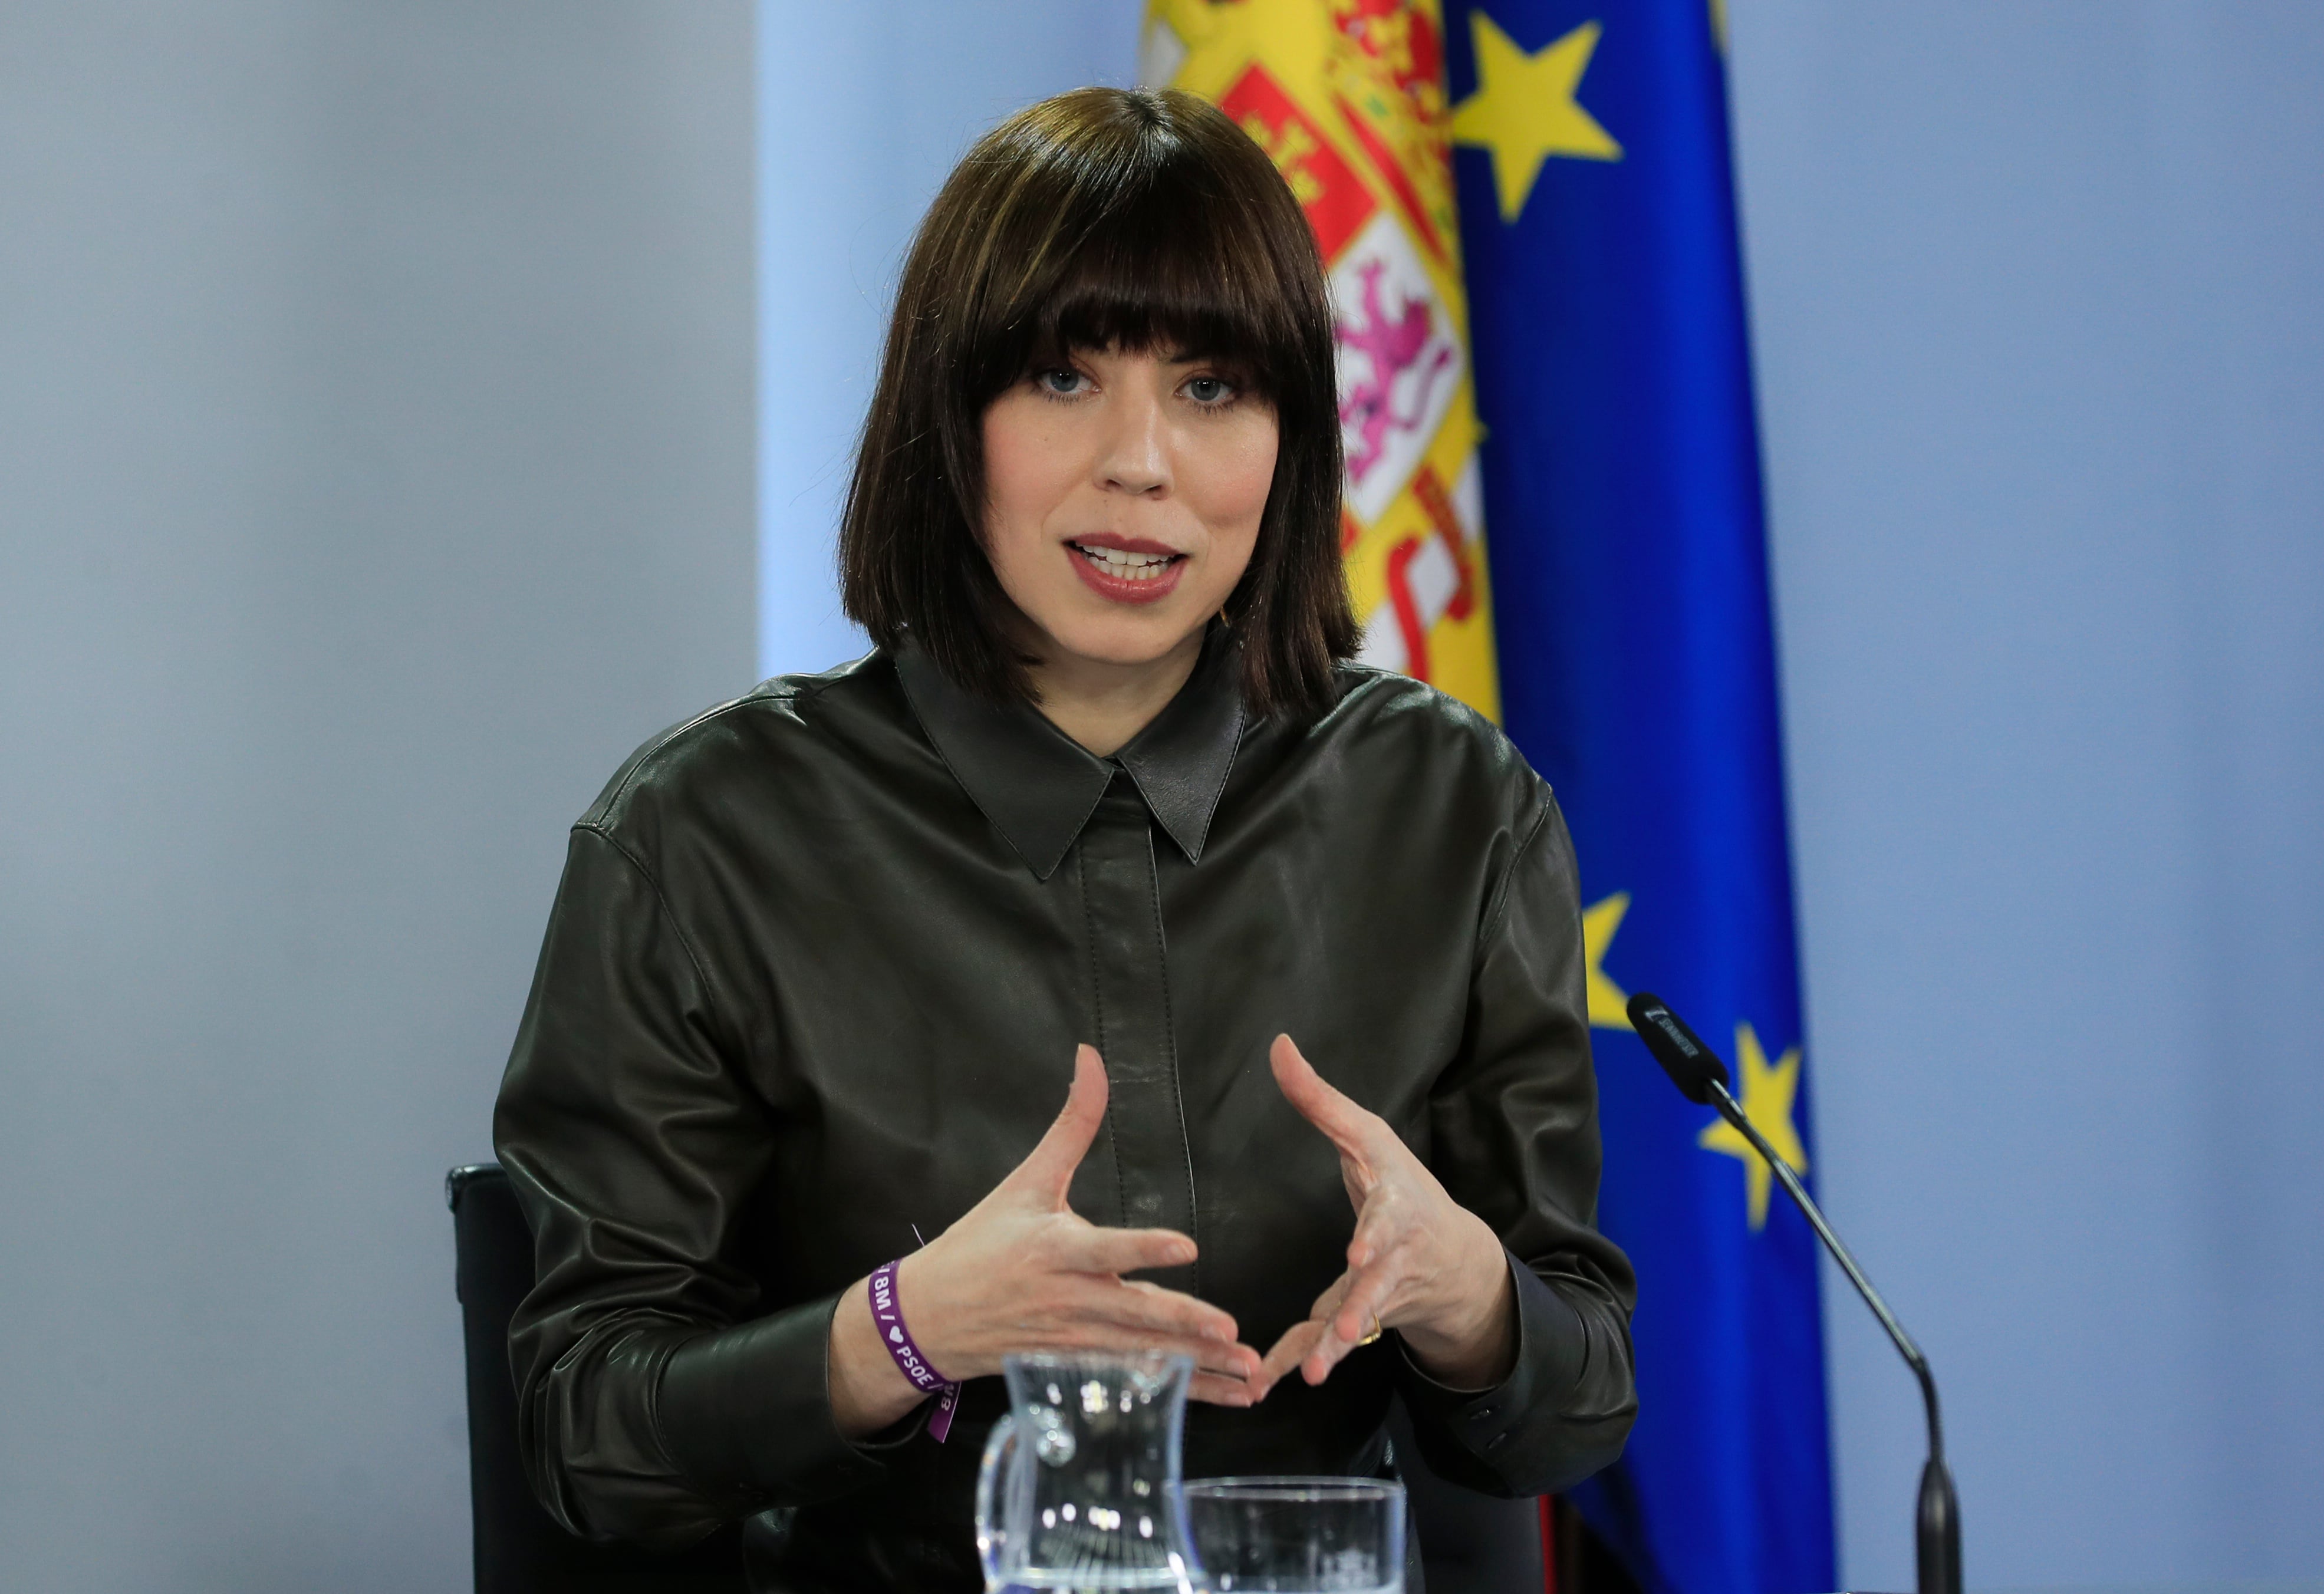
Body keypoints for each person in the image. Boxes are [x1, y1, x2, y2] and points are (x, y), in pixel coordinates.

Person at [494, 85, 1636, 1593]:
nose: (1141, 462)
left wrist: (1470, 1290)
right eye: (1060, 376)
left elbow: (1576, 1400)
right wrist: (904, 1327)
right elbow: (582, 1429)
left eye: (1214, 387)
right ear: (946, 419)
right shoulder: (704, 834)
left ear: (1293, 436)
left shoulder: (1455, 810)